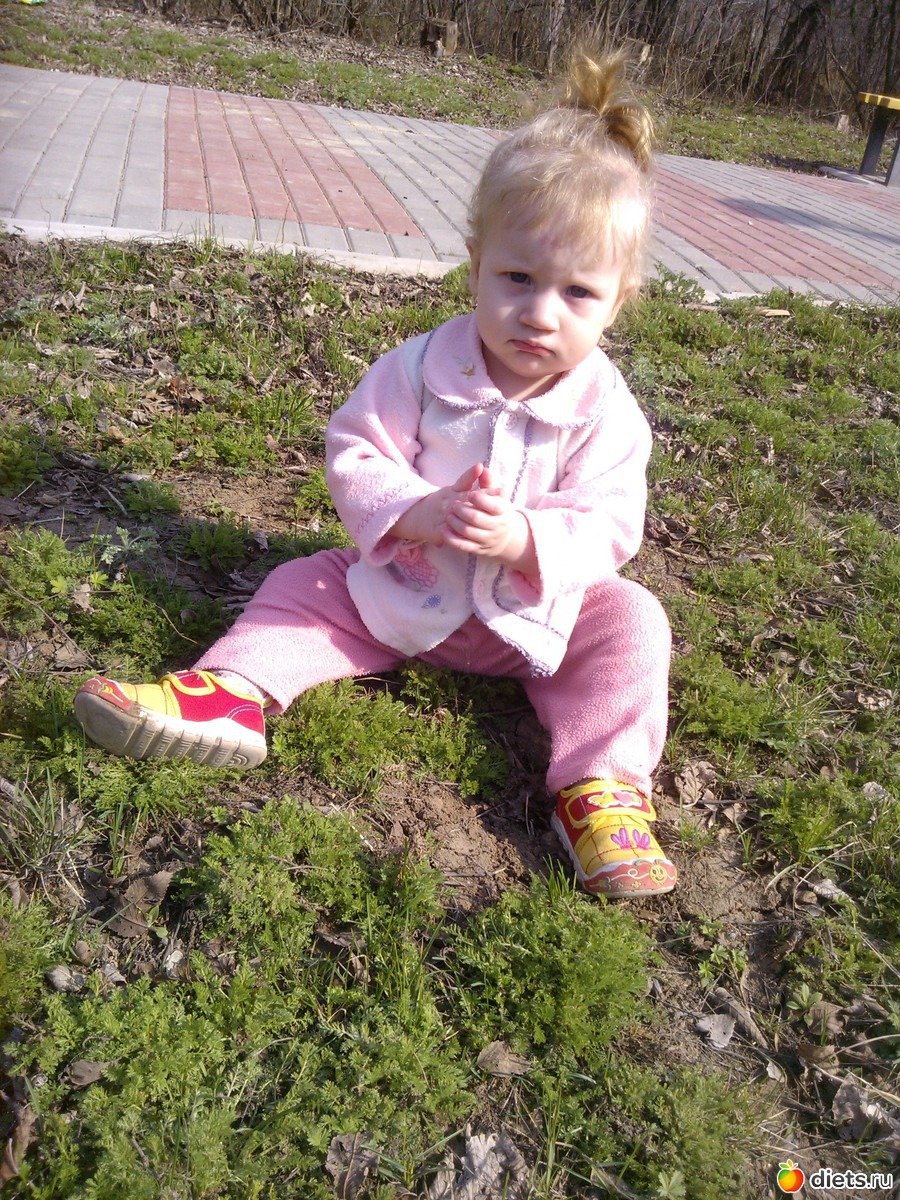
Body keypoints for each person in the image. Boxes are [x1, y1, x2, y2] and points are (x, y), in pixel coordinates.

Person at [74, 46, 677, 897]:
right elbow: (355, 447)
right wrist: (414, 510)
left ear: (621, 298)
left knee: (635, 622)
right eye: (516, 277)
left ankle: (603, 789)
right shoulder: (421, 369)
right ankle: (232, 691)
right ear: (475, 261)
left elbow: (613, 517)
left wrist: (528, 538)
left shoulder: (605, 410)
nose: (540, 314)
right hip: (403, 590)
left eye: (578, 293)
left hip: (536, 616)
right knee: (304, 581)